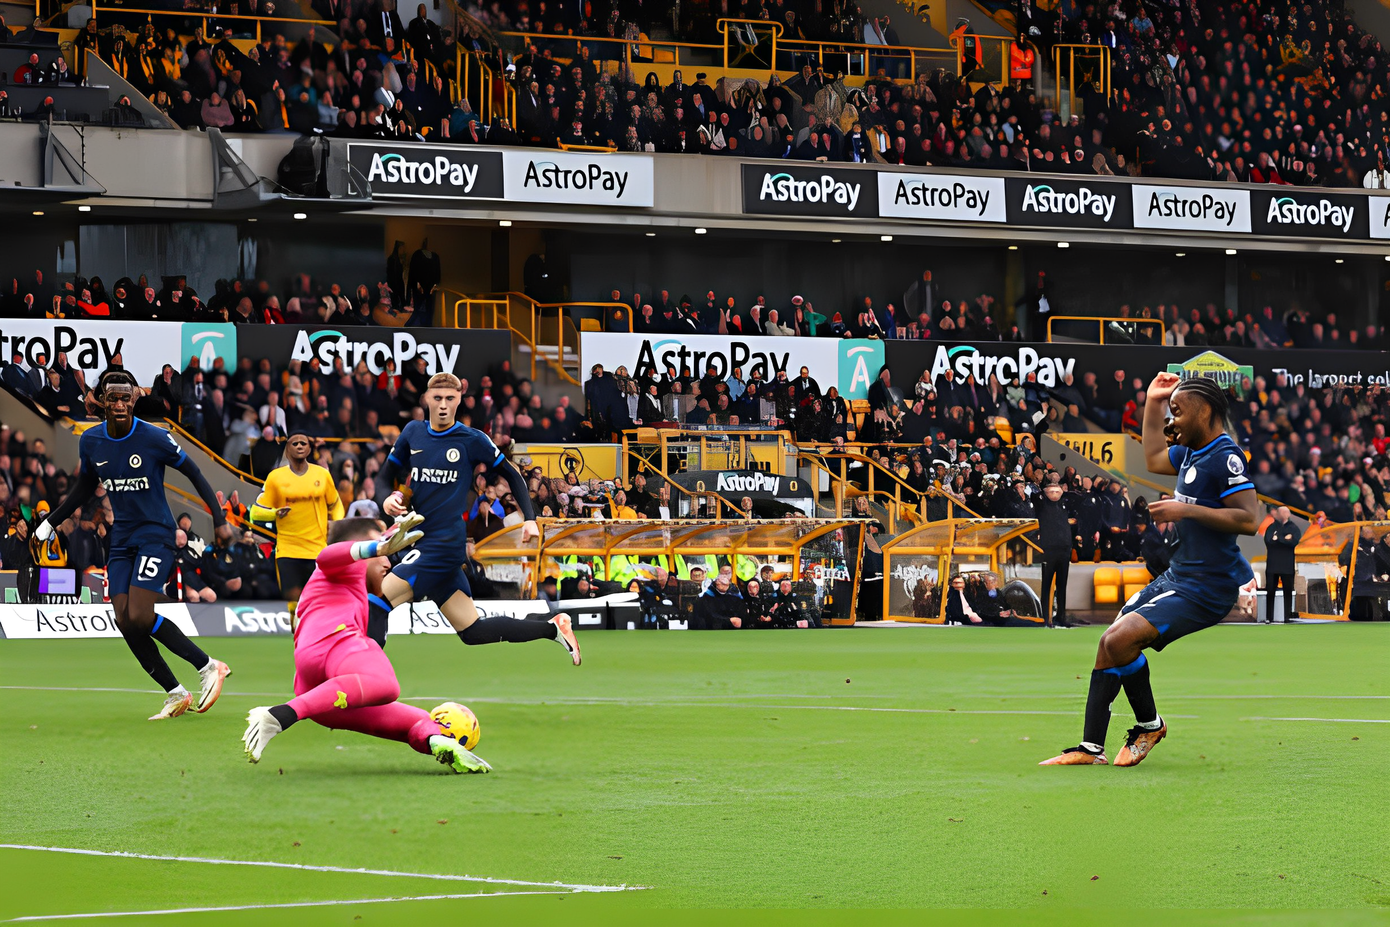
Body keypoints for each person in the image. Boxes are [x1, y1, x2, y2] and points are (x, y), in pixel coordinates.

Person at [1041, 374, 1259, 768]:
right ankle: (1091, 748)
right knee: (1109, 641)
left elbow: (1249, 519)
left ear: (1205, 410)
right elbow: (1153, 457)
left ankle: (1150, 726)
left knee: (1122, 639)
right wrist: (1153, 401)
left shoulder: (1225, 456)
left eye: (1177, 412)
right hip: (1181, 575)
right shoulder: (1192, 451)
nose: (1170, 422)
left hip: (1208, 587)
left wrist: (1184, 509)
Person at [36, 369, 235, 720]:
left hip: (156, 533)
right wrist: (51, 521)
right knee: (125, 621)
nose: (120, 404)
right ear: (101, 399)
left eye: (126, 397)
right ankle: (175, 693)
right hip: (122, 539)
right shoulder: (91, 441)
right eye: (112, 397)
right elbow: (84, 486)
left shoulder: (154, 437)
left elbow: (195, 472)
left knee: (141, 615)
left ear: (135, 399)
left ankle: (208, 666)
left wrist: (219, 518)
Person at [242, 516, 491, 773]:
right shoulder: (347, 568)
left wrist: (440, 742)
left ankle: (439, 743)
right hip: (331, 646)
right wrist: (375, 547)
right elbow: (327, 556)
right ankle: (280, 715)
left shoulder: (347, 589)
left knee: (419, 720)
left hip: (314, 688)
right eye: (383, 552)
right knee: (383, 680)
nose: (388, 562)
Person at [371, 373, 580, 663]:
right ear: (426, 399)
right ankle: (552, 628)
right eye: (437, 398)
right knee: (472, 631)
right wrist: (386, 497)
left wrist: (530, 518)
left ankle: (360, 680)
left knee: (376, 603)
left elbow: (511, 473)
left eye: (450, 399)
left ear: (459, 400)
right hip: (421, 540)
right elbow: (383, 477)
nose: (443, 405)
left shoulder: (471, 440)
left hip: (443, 545)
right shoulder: (412, 433)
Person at [249, 431, 344, 604]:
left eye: (303, 443)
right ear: (287, 449)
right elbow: (255, 512)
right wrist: (273, 513)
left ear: (309, 449)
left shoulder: (322, 475)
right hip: (288, 550)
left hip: (318, 551)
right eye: (295, 443)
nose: (299, 446)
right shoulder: (275, 478)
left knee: (318, 602)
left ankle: (318, 631)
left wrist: (336, 525)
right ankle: (296, 630)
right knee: (293, 602)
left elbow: (336, 504)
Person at [1035, 481, 1074, 628]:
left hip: (1064, 549)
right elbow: (1035, 496)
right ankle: (1046, 617)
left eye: (1057, 492)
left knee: (1062, 586)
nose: (1055, 494)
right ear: (1045, 493)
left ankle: (1061, 616)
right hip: (1049, 549)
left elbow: (1078, 499)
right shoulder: (1042, 504)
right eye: (1051, 492)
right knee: (1046, 585)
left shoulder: (1064, 505)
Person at [1263, 506, 1300, 623]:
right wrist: (1284, 539)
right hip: (1272, 566)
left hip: (1287, 566)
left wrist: (1278, 539)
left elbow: (1294, 542)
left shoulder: (1293, 528)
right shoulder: (1271, 527)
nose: (1282, 514)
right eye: (1281, 512)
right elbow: (1269, 541)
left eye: (1285, 512)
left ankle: (1287, 616)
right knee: (1270, 591)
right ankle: (1269, 617)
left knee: (1288, 591)